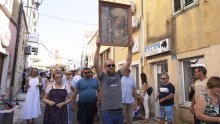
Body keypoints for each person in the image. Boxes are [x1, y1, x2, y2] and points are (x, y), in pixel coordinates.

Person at [93, 37, 133, 123]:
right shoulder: (102, 76)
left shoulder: (118, 74)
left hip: (119, 111)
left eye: (113, 65)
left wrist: (130, 48)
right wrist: (98, 47)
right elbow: (96, 64)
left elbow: (128, 62)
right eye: (109, 65)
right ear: (105, 67)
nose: (111, 67)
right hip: (107, 112)